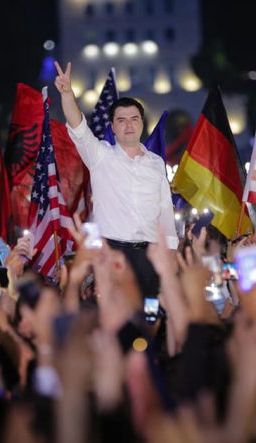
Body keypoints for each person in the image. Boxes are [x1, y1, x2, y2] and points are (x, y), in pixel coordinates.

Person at [53, 61, 178, 298]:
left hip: (151, 254)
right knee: (118, 315)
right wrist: (67, 94)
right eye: (121, 120)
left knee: (151, 314)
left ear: (142, 123)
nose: (129, 125)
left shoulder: (155, 162)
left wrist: (171, 250)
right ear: (112, 127)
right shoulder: (100, 156)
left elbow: (165, 208)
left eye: (134, 118)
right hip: (113, 254)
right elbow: (79, 128)